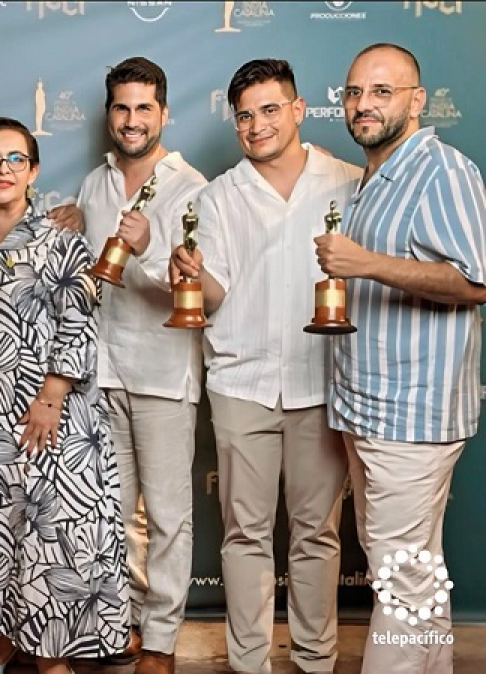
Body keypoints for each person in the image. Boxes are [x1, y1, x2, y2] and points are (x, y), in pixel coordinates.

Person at [0, 116, 128, 674]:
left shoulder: (61, 240)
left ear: (33, 172)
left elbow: (79, 321)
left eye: (16, 159)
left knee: (44, 542)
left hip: (42, 413)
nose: (3, 169)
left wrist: (51, 397)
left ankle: (50, 659)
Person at [172, 59, 361, 674]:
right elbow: (216, 295)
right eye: (245, 116)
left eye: (270, 109)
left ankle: (315, 660)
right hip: (241, 383)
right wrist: (193, 277)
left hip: (322, 382)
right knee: (245, 535)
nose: (257, 125)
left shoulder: (350, 182)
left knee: (318, 534)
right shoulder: (216, 196)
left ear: (299, 109)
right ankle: (248, 663)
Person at [315, 43, 486, 674]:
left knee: (399, 582)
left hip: (412, 412)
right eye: (354, 93)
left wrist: (366, 264)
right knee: (413, 576)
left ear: (416, 101)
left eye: (382, 92)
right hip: (370, 408)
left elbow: (475, 281)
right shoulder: (373, 179)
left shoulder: (441, 171)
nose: (364, 104)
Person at [52, 56, 206, 674]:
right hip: (101, 370)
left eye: (144, 107)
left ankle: (161, 639)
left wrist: (148, 249)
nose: (132, 119)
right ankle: (123, 623)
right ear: (109, 113)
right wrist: (70, 221)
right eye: (122, 107)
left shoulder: (191, 187)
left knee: (167, 516)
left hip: (163, 372)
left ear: (164, 113)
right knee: (111, 514)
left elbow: (193, 289)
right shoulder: (95, 183)